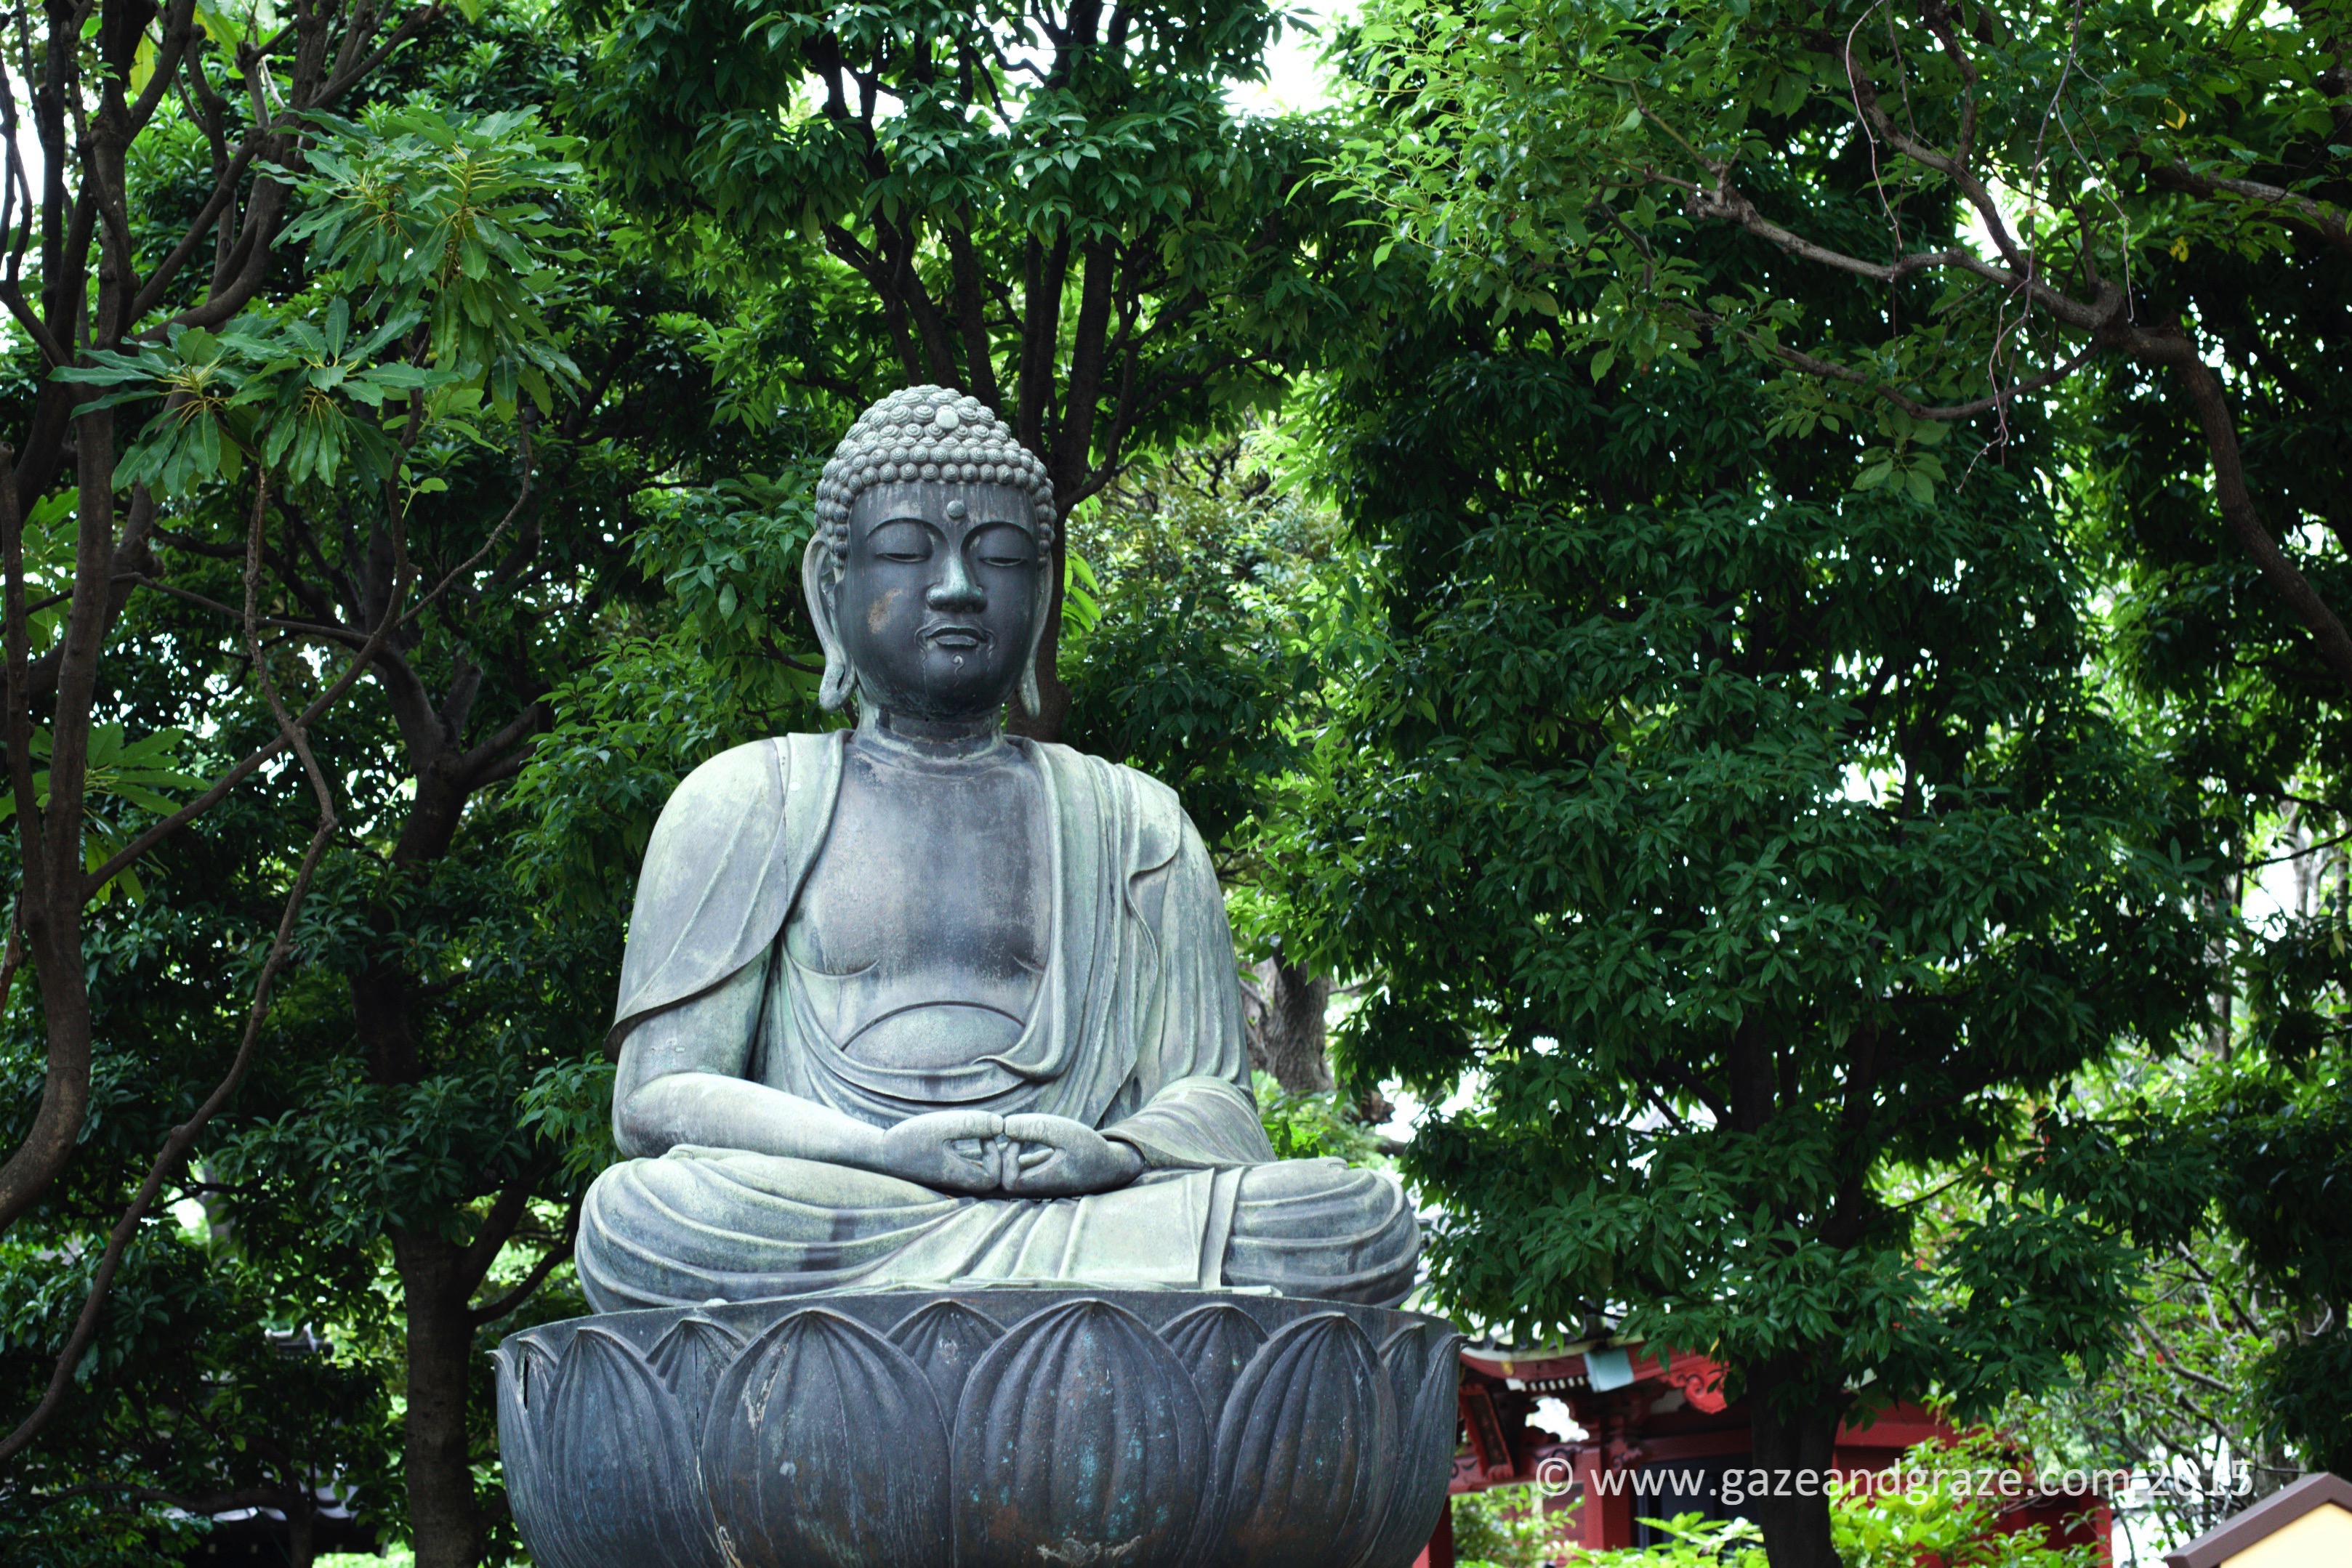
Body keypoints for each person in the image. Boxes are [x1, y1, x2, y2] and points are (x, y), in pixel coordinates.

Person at [574, 387, 1419, 1312]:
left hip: (1092, 1210)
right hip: (847, 1202)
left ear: (1042, 591)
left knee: (1352, 1216)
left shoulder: (1136, 821)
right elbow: (655, 1098)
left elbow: (1215, 1106)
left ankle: (1000, 1306)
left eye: (1002, 557)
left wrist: (1118, 1152)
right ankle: (1043, 1313)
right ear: (831, 588)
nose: (957, 588)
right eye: (906, 551)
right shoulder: (747, 798)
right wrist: (877, 1150)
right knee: (643, 1215)